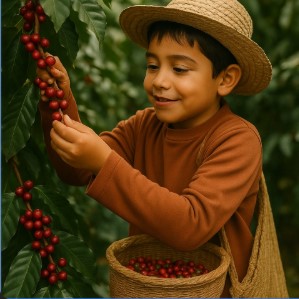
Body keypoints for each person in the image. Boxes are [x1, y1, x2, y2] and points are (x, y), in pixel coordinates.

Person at [37, 0, 272, 296]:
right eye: (152, 65)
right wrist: (58, 99)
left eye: (179, 68)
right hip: (148, 286)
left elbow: (190, 224)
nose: (159, 80)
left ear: (225, 79)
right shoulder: (144, 125)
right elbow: (76, 170)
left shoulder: (237, 140)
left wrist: (104, 160)